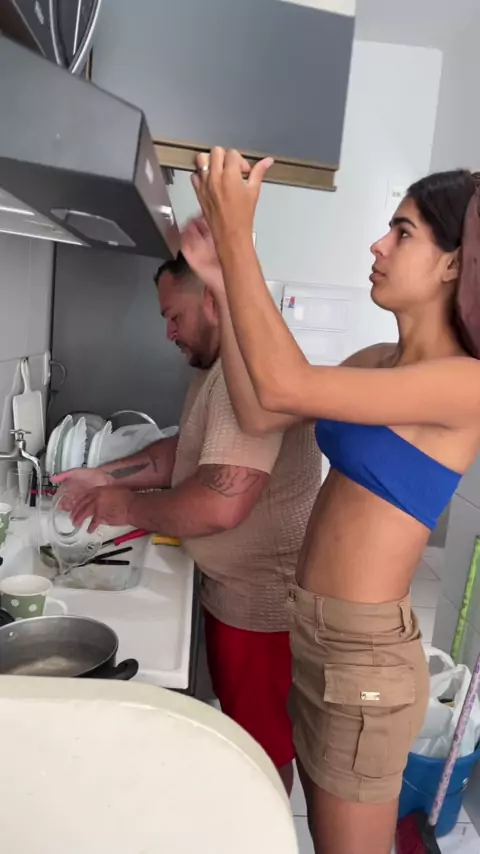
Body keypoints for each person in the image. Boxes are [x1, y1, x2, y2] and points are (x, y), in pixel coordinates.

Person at [183, 151, 480, 854]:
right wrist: (222, 280)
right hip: (312, 630)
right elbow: (262, 407)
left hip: (365, 654)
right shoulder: (376, 361)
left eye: (402, 233)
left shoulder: (464, 383)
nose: (378, 246)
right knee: (322, 832)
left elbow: (283, 382)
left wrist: (239, 238)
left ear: (452, 263)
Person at [54, 251, 322, 793]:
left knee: (262, 751)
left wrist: (124, 507)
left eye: (174, 316)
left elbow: (219, 503)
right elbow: (187, 454)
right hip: (235, 599)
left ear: (213, 300)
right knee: (248, 736)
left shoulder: (248, 370)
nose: (169, 333)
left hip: (261, 609)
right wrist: (105, 476)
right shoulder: (217, 369)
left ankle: (262, 827)